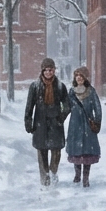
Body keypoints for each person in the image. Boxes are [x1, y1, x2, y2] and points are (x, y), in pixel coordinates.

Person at [24, 57, 70, 186]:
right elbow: (29, 105)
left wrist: (61, 117)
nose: (48, 72)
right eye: (46, 70)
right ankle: (45, 180)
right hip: (40, 124)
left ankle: (53, 174)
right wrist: (28, 120)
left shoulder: (60, 87)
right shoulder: (35, 86)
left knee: (56, 152)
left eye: (51, 70)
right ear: (42, 71)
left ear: (54, 70)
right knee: (42, 152)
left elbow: (67, 105)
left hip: (55, 124)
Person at [66, 66, 103, 188]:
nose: (79, 78)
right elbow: (66, 107)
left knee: (87, 152)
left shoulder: (91, 91)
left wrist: (97, 122)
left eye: (81, 76)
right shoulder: (72, 91)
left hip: (88, 125)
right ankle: (77, 175)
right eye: (77, 76)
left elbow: (97, 107)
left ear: (85, 78)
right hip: (75, 125)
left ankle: (86, 178)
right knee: (76, 151)